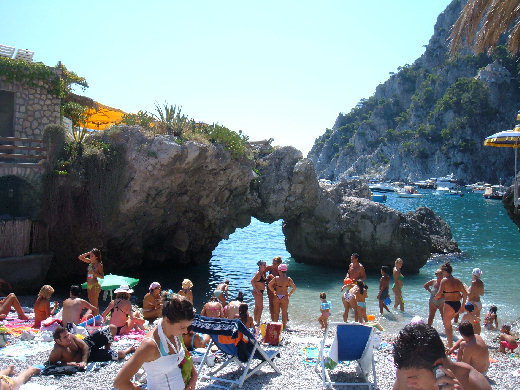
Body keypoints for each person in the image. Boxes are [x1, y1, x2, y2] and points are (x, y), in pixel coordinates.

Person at [114, 294, 197, 390]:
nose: (186, 331)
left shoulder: (176, 334)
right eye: (182, 327)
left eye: (188, 327)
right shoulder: (150, 345)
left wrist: (193, 378)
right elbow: (119, 382)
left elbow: (186, 356)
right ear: (167, 320)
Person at [392, 322, 491, 390]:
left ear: (438, 368)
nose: (408, 384)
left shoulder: (474, 384)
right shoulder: (404, 371)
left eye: (413, 377)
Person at [49, 325, 135, 367]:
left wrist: (83, 361)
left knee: (112, 328)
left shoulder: (71, 336)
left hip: (88, 343)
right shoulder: (57, 350)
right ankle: (129, 350)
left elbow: (84, 347)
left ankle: (107, 348)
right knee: (121, 354)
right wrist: (69, 364)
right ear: (58, 341)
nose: (68, 338)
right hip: (91, 356)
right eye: (65, 337)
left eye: (67, 335)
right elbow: (51, 364)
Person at [434, 261, 467, 348]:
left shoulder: (444, 281)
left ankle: (450, 344)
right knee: (451, 324)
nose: (442, 274)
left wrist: (436, 297)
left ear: (445, 272)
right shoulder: (458, 280)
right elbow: (465, 293)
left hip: (449, 304)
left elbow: (439, 293)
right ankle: (458, 341)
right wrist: (463, 306)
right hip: (458, 305)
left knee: (447, 325)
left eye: (442, 272)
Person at [268, 263, 296, 329]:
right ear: (285, 270)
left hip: (277, 296)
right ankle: (284, 327)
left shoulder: (276, 278)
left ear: (279, 271)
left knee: (276, 313)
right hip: (285, 296)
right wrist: (289, 294)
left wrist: (273, 291)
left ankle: (275, 327)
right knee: (284, 312)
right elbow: (294, 288)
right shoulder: (288, 279)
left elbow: (269, 285)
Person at [77, 248, 104, 313]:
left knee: (94, 304)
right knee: (91, 303)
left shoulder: (99, 265)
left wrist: (95, 273)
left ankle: (96, 319)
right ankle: (93, 318)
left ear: (96, 257)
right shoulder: (90, 262)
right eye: (90, 256)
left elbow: (102, 277)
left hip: (95, 285)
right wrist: (89, 252)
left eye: (92, 256)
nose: (90, 257)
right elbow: (80, 257)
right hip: (89, 285)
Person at [266, 256, 283, 321]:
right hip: (270, 287)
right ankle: (272, 318)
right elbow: (262, 271)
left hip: (277, 288)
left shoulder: (281, 271)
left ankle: (284, 318)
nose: (273, 265)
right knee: (271, 303)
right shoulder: (271, 268)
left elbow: (281, 282)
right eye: (272, 263)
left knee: (279, 304)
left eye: (275, 264)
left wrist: (272, 276)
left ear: (279, 264)